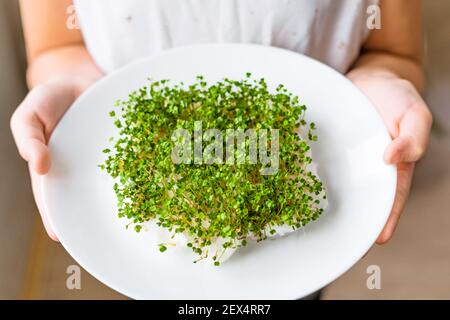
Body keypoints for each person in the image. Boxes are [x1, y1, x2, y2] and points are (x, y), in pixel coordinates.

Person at [11, 0, 432, 246]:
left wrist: (382, 83)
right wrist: (68, 89)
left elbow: (393, 51)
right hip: (145, 205)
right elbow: (56, 46)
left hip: (302, 187)